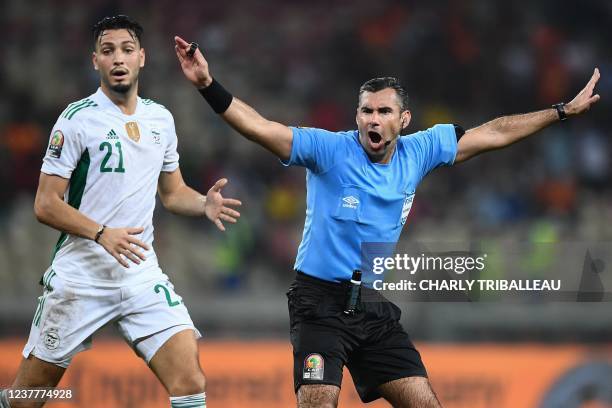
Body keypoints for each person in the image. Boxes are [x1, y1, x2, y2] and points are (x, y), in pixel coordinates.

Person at [174, 35, 600, 408]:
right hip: (318, 304)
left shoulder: (422, 149)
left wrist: (560, 112)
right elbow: (262, 128)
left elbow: (496, 132)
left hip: (371, 307)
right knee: (318, 402)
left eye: (382, 112)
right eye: (365, 112)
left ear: (404, 120)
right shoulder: (329, 150)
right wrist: (208, 85)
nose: (372, 120)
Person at [0, 16, 242, 408]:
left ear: (142, 58)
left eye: (127, 50)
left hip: (139, 272)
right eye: (108, 50)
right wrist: (101, 233)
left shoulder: (160, 119)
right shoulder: (77, 120)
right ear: (95, 60)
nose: (118, 59)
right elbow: (44, 204)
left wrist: (203, 203)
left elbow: (173, 192)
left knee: (190, 381)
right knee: (27, 399)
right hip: (81, 277)